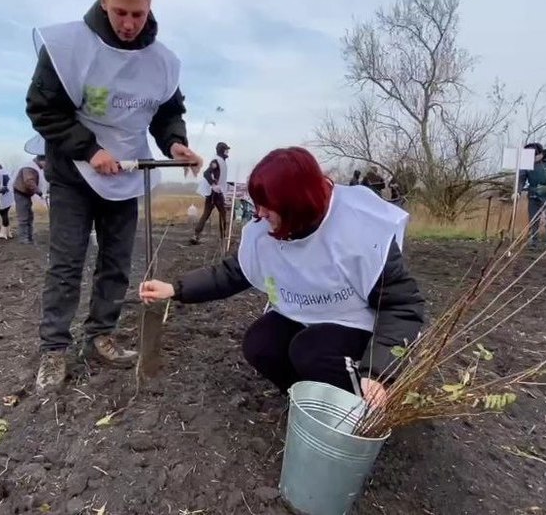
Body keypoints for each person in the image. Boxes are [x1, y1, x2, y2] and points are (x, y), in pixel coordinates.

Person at [25, 0, 202, 393]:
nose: (128, 23)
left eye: (137, 14)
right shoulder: (68, 46)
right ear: (105, 1)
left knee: (117, 262)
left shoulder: (161, 61)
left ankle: (101, 335)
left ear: (149, 6)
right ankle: (53, 350)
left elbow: (167, 112)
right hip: (72, 171)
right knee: (67, 262)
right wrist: (89, 149)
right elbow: (42, 108)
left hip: (127, 171)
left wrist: (174, 143)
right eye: (120, 12)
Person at [140, 147, 425, 407]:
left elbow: (402, 306)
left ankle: (359, 411)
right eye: (257, 203)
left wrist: (377, 371)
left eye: (267, 205)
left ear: (296, 205)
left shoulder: (358, 232)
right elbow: (233, 272)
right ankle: (308, 403)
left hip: (357, 325)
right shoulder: (268, 227)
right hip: (306, 313)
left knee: (311, 350)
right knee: (260, 344)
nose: (259, 214)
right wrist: (175, 288)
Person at [190, 141, 231, 244]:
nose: (227, 152)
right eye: (226, 150)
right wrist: (213, 184)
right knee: (212, 214)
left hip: (217, 193)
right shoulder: (216, 161)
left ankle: (198, 236)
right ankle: (198, 236)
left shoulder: (221, 161)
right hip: (213, 194)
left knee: (219, 213)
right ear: (222, 151)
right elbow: (206, 173)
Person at [14, 154, 48, 244]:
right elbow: (29, 182)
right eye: (47, 163)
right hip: (21, 194)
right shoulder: (29, 168)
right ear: (42, 161)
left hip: (26, 194)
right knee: (24, 217)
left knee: (29, 216)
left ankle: (29, 237)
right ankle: (24, 239)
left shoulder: (34, 167)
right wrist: (39, 192)